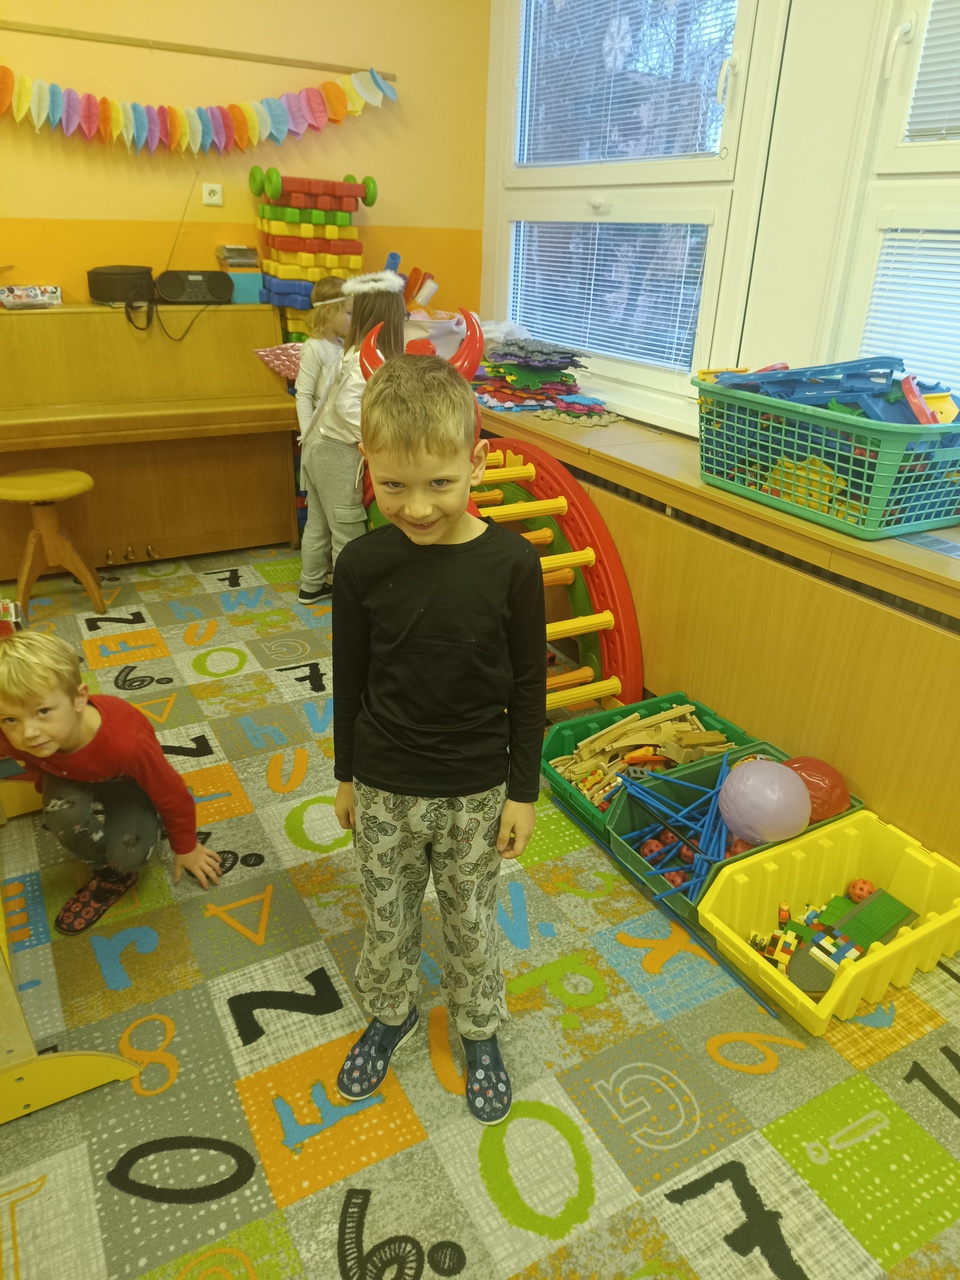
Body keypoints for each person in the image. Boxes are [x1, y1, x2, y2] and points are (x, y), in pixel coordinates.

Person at [331, 354, 547, 1125]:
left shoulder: (513, 564)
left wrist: (524, 791)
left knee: (471, 920)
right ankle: (389, 1015)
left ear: (476, 462)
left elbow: (530, 687)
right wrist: (346, 774)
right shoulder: (361, 564)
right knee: (387, 917)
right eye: (394, 485)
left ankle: (479, 1030)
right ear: (368, 464)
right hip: (384, 783)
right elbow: (350, 676)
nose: (417, 507)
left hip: (476, 790)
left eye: (440, 483)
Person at [0, 631, 222, 934]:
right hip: (67, 775)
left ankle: (139, 840)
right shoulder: (15, 734)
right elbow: (29, 757)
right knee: (60, 818)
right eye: (10, 719)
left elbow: (172, 793)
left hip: (125, 781)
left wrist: (186, 847)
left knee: (128, 859)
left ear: (79, 698)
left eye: (43, 712)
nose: (28, 733)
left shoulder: (126, 744)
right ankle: (108, 876)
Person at [297, 269, 405, 606]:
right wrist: (378, 439)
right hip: (338, 453)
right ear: (389, 318)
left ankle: (311, 585)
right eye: (401, 315)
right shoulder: (365, 359)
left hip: (322, 448)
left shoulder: (352, 351)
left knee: (319, 523)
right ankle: (352, 600)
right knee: (348, 529)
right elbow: (348, 407)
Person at [294, 275, 351, 448]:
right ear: (328, 312)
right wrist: (307, 436)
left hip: (339, 430)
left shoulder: (343, 345)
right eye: (349, 313)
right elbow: (304, 395)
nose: (353, 319)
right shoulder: (315, 348)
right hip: (321, 433)